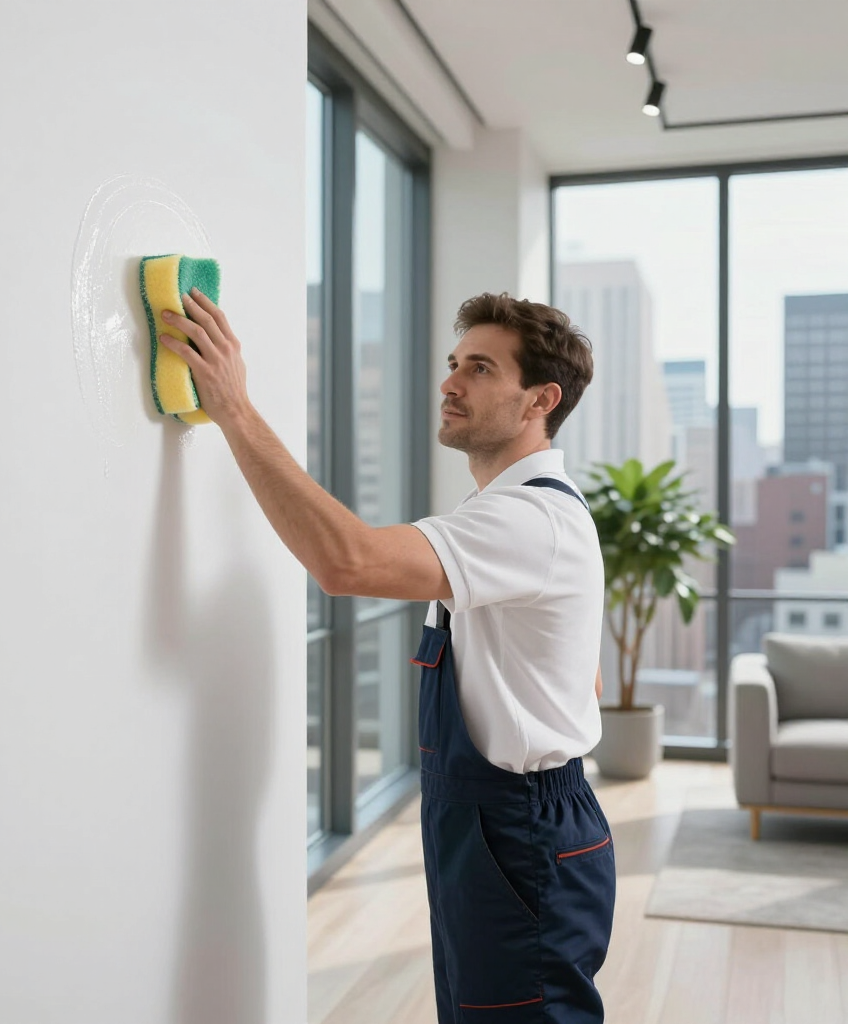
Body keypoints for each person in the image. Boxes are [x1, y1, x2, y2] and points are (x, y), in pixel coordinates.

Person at [158, 287, 615, 1023]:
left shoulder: (529, 517)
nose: (450, 382)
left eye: (481, 369)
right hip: (491, 824)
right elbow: (578, 668)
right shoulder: (516, 511)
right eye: (453, 363)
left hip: (519, 830)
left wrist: (234, 408)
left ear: (540, 400)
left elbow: (349, 562)